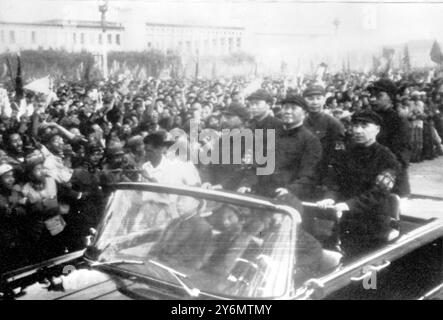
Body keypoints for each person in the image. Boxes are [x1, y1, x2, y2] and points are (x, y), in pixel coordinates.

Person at [317, 110, 401, 257]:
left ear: (377, 129)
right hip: (347, 221)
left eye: (364, 126)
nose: (357, 130)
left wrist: (349, 205)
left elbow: (379, 193)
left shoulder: (387, 158)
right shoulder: (345, 153)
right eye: (355, 126)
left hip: (373, 224)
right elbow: (335, 180)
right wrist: (330, 196)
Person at [251, 93, 322, 200]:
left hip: (287, 196)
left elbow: (308, 175)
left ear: (305, 113)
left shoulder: (310, 140)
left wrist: (290, 190)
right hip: (261, 192)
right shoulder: (270, 134)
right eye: (285, 108)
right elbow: (256, 165)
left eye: (293, 108)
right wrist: (247, 183)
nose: (288, 111)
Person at [369, 79, 412, 197]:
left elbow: (402, 155)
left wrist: (390, 172)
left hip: (392, 184)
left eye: (378, 96)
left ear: (391, 97)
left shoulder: (399, 122)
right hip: (369, 184)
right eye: (371, 95)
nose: (372, 99)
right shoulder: (367, 119)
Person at [302, 85, 345, 193]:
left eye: (318, 98)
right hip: (302, 177)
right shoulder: (301, 123)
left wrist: (328, 183)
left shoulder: (334, 124)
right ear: (304, 101)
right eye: (310, 99)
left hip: (322, 179)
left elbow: (339, 157)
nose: (314, 102)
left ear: (324, 99)